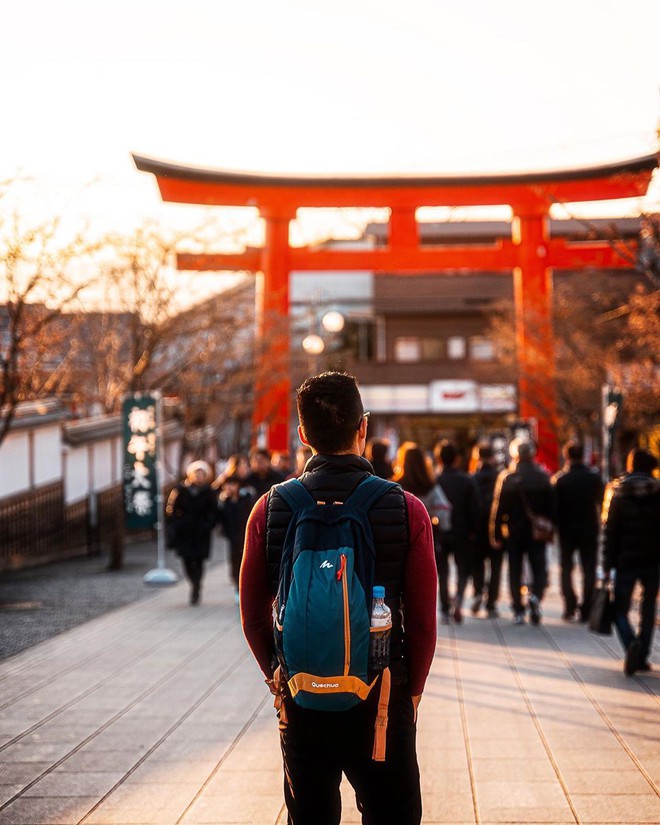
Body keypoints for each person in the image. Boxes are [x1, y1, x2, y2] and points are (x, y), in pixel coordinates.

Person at [240, 372, 437, 825]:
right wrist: (413, 691)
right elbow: (423, 621)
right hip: (383, 697)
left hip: (302, 695)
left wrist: (278, 674)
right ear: (362, 427)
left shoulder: (269, 509)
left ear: (303, 435)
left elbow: (252, 613)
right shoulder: (406, 509)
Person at [602, 448, 660, 676]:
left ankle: (630, 643)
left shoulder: (618, 492)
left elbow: (610, 532)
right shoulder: (658, 491)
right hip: (653, 560)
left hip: (625, 559)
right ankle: (643, 654)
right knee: (648, 608)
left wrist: (607, 565)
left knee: (619, 609)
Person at [489, 439, 555, 625]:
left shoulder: (507, 477)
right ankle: (536, 596)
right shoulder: (542, 476)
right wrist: (551, 529)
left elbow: (498, 508)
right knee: (538, 567)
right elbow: (552, 506)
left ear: (515, 454)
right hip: (536, 532)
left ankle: (518, 609)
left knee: (515, 569)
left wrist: (495, 534)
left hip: (513, 531)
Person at [552, 441, 605, 622]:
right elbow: (602, 503)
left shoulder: (560, 480)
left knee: (566, 567)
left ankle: (570, 604)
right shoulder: (594, 478)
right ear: (583, 455)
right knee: (589, 567)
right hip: (589, 527)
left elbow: (554, 508)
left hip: (566, 529)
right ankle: (587, 607)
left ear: (567, 456)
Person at [434, 439, 479, 624]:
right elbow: (475, 508)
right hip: (462, 532)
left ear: (438, 459)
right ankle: (459, 598)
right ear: (457, 459)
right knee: (462, 569)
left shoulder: (434, 481)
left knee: (442, 572)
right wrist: (473, 531)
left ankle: (444, 608)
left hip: (439, 533)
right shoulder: (466, 481)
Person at [165, 460, 217, 605]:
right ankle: (193, 582)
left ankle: (196, 586)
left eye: (202, 474)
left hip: (201, 532)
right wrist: (177, 523)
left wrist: (208, 525)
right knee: (186, 560)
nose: (199, 477)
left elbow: (213, 512)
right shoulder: (181, 490)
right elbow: (171, 509)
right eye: (196, 474)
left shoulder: (209, 492)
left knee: (199, 560)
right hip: (185, 531)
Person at [470, 444, 502, 618]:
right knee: (495, 566)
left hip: (477, 528)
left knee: (477, 564)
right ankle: (491, 602)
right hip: (495, 529)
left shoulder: (473, 478)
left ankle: (477, 591)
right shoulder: (499, 476)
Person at [216, 474, 256, 600]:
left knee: (246, 561)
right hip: (232, 537)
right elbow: (221, 520)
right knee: (234, 561)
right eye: (227, 485)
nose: (230, 487)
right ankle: (237, 587)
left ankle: (244, 587)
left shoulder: (246, 499)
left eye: (232, 484)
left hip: (245, 535)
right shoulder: (224, 502)